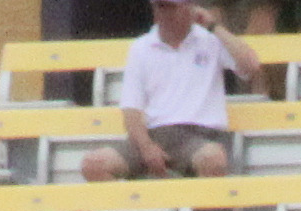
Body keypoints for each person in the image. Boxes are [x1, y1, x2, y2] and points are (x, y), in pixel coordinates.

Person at [85, 0, 245, 186]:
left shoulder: (210, 40)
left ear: (189, 8)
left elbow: (250, 65)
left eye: (170, 7)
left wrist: (213, 26)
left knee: (213, 160)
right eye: (159, 6)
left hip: (200, 135)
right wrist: (146, 147)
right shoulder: (141, 47)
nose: (164, 13)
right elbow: (131, 111)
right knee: (94, 165)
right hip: (156, 133)